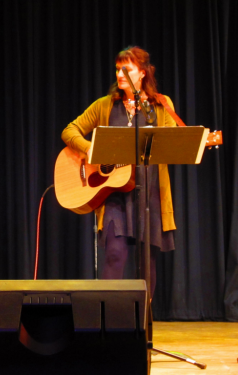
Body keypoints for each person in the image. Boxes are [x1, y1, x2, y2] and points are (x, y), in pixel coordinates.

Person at [61, 46, 176, 296]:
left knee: (148, 264)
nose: (120, 74)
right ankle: (107, 322)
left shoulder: (161, 104)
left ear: (143, 73)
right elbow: (70, 130)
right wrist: (90, 148)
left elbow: (172, 144)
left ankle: (142, 321)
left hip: (151, 194)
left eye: (127, 68)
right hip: (115, 197)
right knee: (114, 254)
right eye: (117, 69)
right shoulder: (105, 105)